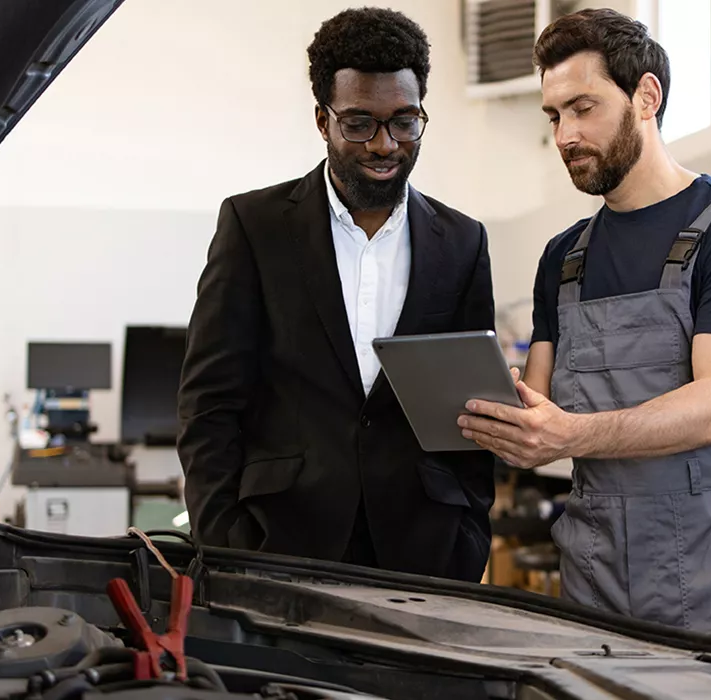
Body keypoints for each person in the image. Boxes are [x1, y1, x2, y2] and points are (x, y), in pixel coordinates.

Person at [458, 8, 711, 644]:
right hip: (597, 572)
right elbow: (542, 406)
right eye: (554, 116)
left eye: (582, 108)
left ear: (646, 97)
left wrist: (569, 433)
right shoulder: (565, 257)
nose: (565, 135)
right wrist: (492, 407)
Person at [178, 7, 495, 582]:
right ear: (322, 120)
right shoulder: (254, 226)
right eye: (359, 124)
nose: (384, 145)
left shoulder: (463, 241)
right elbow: (209, 403)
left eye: (404, 122)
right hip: (277, 544)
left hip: (424, 554)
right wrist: (223, 543)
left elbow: (471, 413)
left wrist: (467, 536)